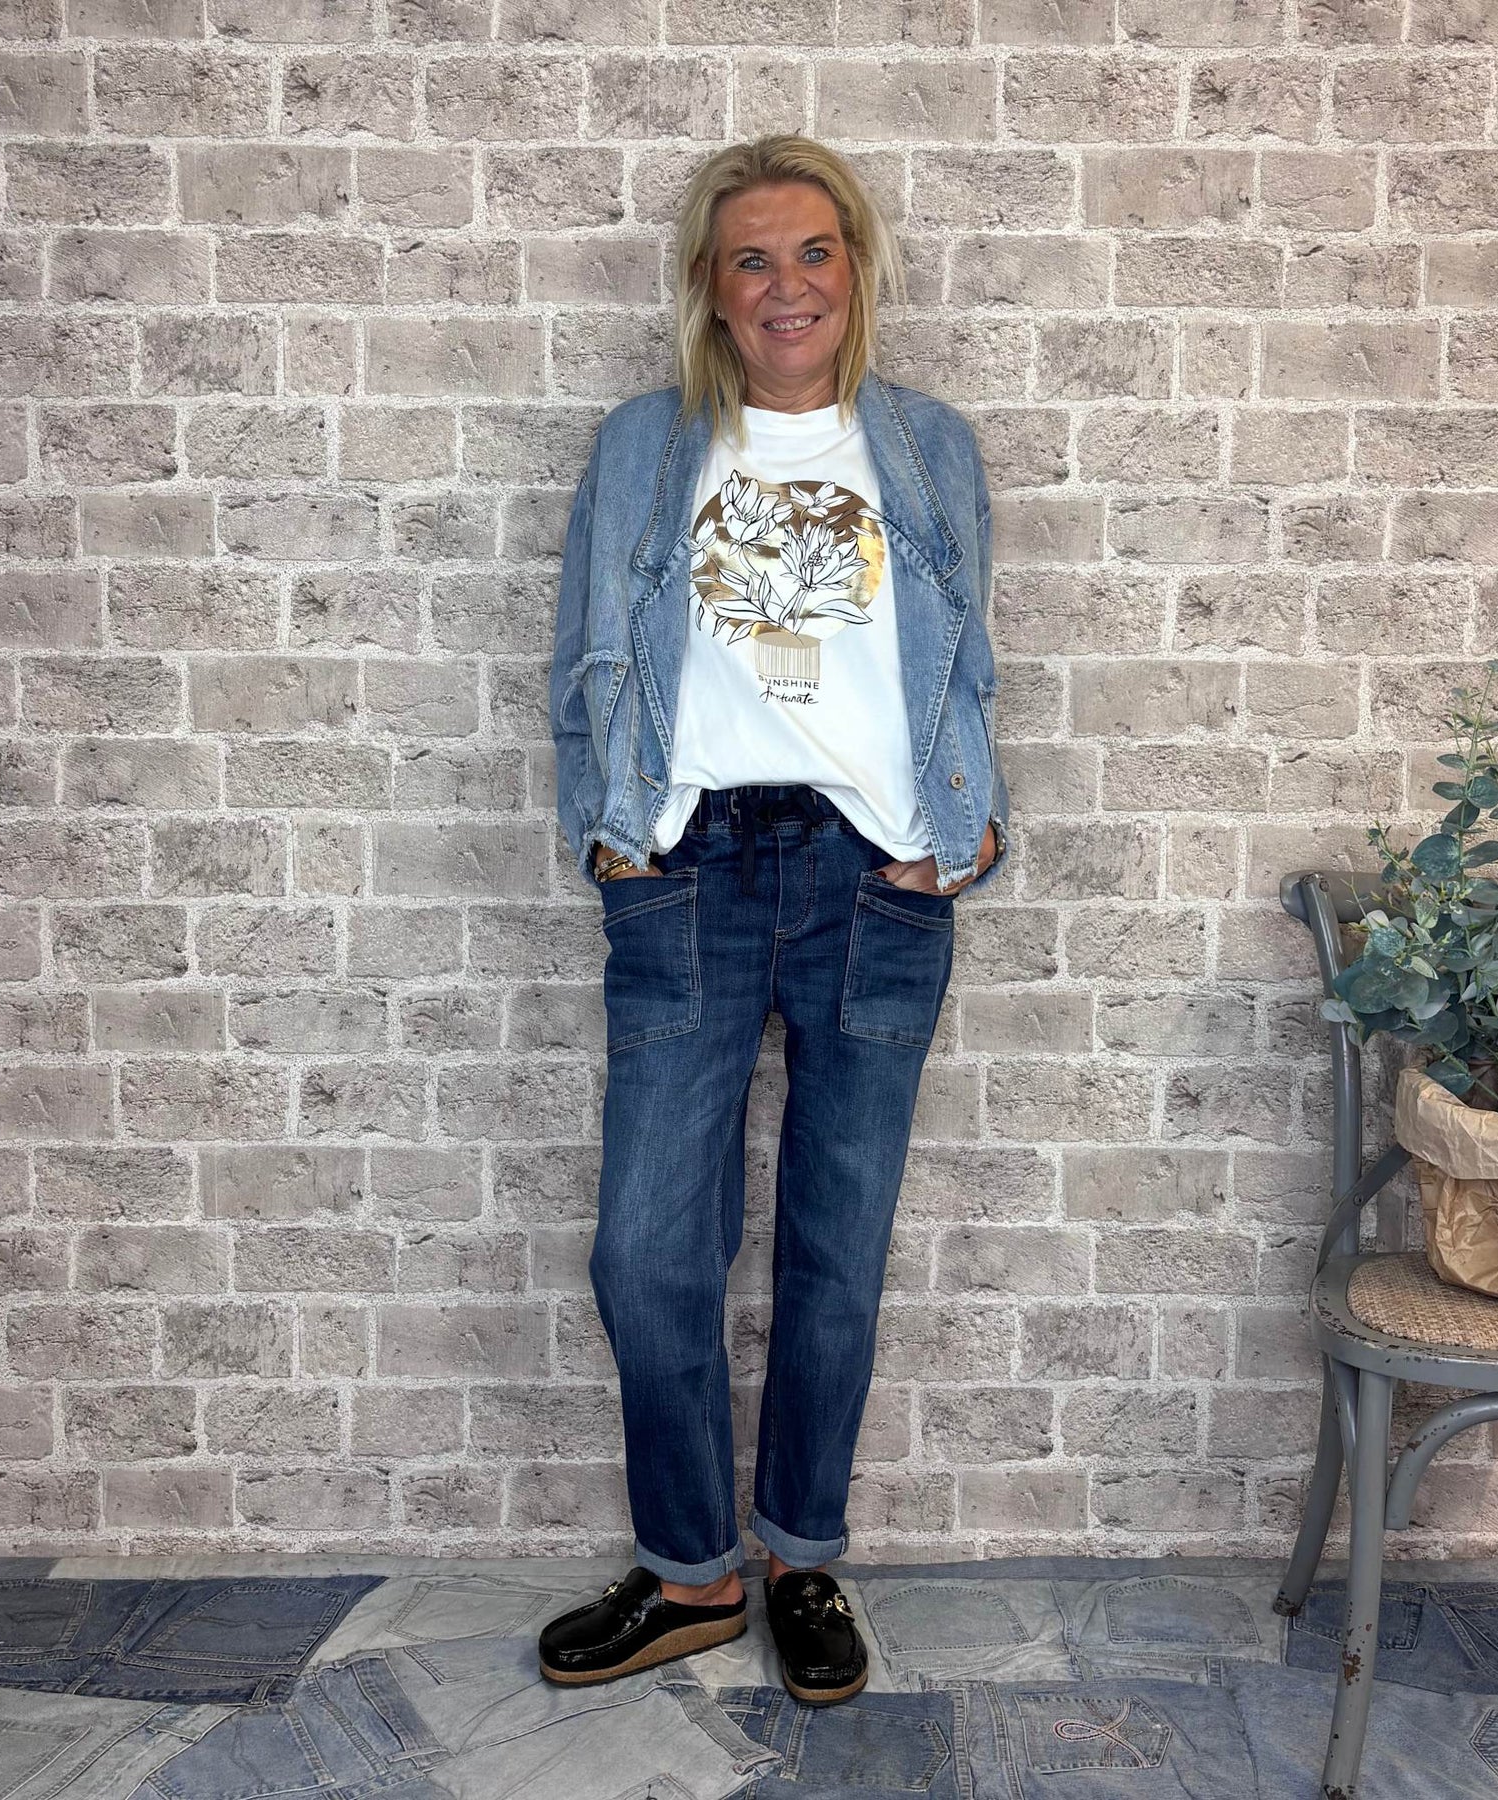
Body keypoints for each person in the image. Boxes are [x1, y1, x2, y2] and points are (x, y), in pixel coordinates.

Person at [540, 132, 1008, 1705]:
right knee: (646, 1250)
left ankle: (801, 1555)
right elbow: (581, 659)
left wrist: (973, 826)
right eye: (753, 258)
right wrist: (608, 835)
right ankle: (690, 1571)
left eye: (814, 252)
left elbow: (961, 658)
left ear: (855, 271)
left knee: (834, 1246)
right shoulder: (644, 446)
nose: (786, 284)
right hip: (688, 873)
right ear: (712, 287)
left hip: (876, 881)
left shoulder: (929, 447)